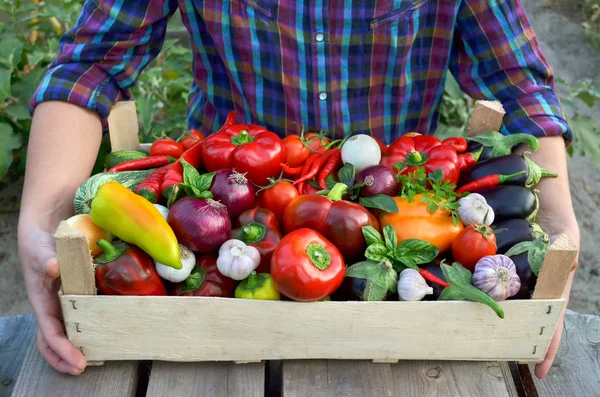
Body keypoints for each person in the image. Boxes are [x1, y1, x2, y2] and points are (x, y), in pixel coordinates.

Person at [18, 0, 580, 377]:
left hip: (396, 204)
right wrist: (41, 221)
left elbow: (517, 83)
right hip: (226, 203)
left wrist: (556, 230)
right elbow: (90, 64)